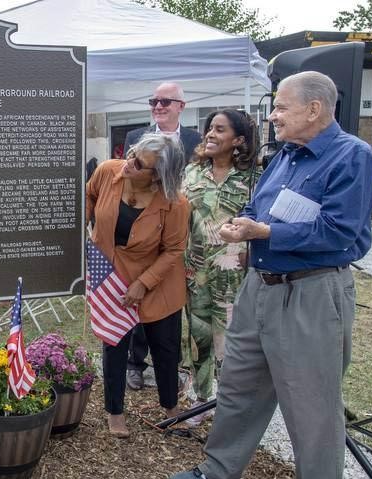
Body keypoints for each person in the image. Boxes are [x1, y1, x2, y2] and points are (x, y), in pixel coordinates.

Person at [168, 71, 372, 479]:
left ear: (314, 109)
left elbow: (342, 233)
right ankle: (220, 473)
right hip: (258, 290)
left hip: (311, 295)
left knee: (312, 405)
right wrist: (238, 226)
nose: (274, 116)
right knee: (239, 387)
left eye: (281, 107)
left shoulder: (350, 156)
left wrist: (265, 232)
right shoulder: (284, 156)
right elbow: (255, 206)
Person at [86, 132, 190, 437]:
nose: (128, 164)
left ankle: (171, 407)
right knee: (114, 342)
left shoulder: (175, 204)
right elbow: (89, 195)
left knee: (165, 347)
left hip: (157, 281)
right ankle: (114, 412)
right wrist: (83, 220)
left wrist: (144, 283)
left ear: (158, 177)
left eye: (139, 163)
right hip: (112, 274)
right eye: (131, 154)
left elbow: (173, 250)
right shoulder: (108, 171)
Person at [181, 109, 258, 426]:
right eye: (209, 129)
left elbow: (262, 222)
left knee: (230, 342)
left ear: (238, 140)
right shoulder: (192, 173)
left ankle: (230, 405)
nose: (210, 134)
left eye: (220, 130)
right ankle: (200, 399)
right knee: (198, 337)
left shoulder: (254, 178)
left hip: (234, 274)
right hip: (196, 272)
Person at [124, 82, 202, 390]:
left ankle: (169, 365)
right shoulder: (134, 138)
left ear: (181, 106)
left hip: (181, 229)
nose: (158, 106)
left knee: (170, 301)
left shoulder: (196, 140)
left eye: (165, 101)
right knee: (140, 295)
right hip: (144, 229)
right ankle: (135, 363)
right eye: (154, 101)